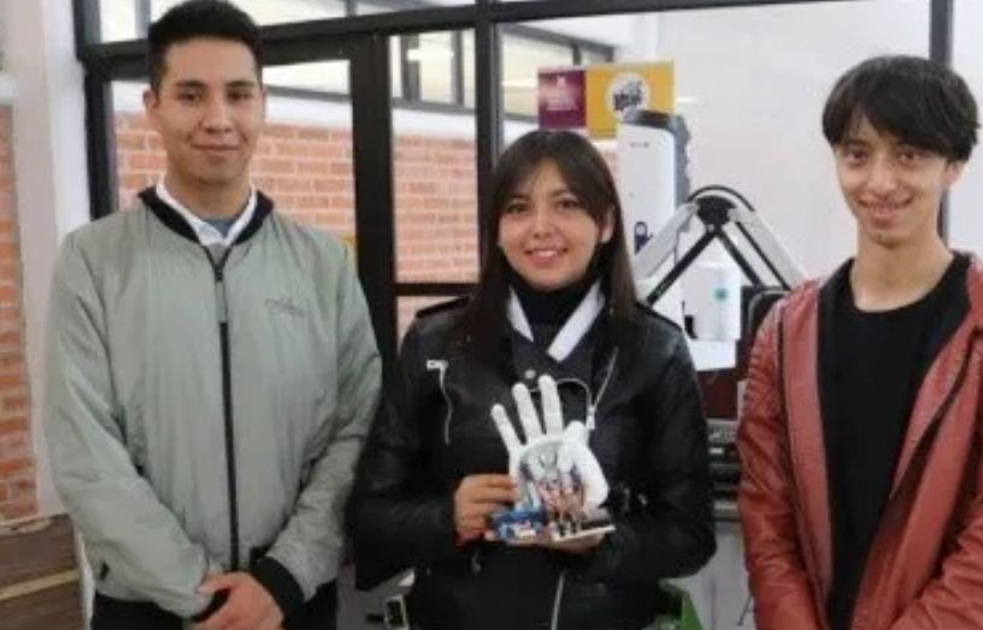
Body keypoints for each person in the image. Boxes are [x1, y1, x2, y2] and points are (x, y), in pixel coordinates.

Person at [44, 1, 381, 628]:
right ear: (153, 107)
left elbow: (355, 433)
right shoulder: (93, 262)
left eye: (238, 94)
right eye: (192, 95)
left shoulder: (321, 264)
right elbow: (87, 454)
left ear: (262, 104)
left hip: (291, 601)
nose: (218, 119)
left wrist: (281, 578)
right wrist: (201, 595)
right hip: (147, 607)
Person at [737, 55, 983, 630]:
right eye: (857, 154)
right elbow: (768, 517)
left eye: (909, 155)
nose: (880, 182)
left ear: (954, 166)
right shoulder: (786, 329)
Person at [347, 130, 715, 630]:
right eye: (518, 209)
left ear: (605, 222)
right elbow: (368, 517)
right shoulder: (434, 343)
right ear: (496, 229)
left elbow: (691, 534)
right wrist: (447, 516)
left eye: (566, 205)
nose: (540, 228)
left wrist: (599, 539)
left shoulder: (654, 351)